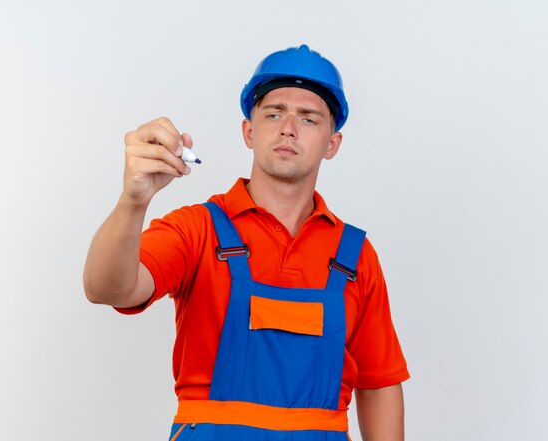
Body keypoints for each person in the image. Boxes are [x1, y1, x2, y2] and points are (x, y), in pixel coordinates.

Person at [84, 44, 410, 441]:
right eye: (274, 113)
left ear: (332, 143)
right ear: (249, 131)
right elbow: (106, 288)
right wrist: (133, 202)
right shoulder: (198, 229)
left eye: (308, 118)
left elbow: (378, 383)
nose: (288, 127)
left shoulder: (355, 255)